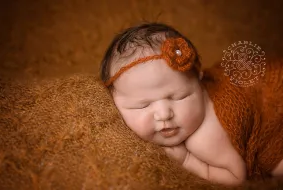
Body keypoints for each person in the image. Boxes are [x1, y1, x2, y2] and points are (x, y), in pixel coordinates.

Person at [99, 22, 283, 186]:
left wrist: (187, 161)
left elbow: (236, 178)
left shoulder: (204, 138)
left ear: (199, 81)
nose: (164, 114)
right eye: (143, 105)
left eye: (180, 97)